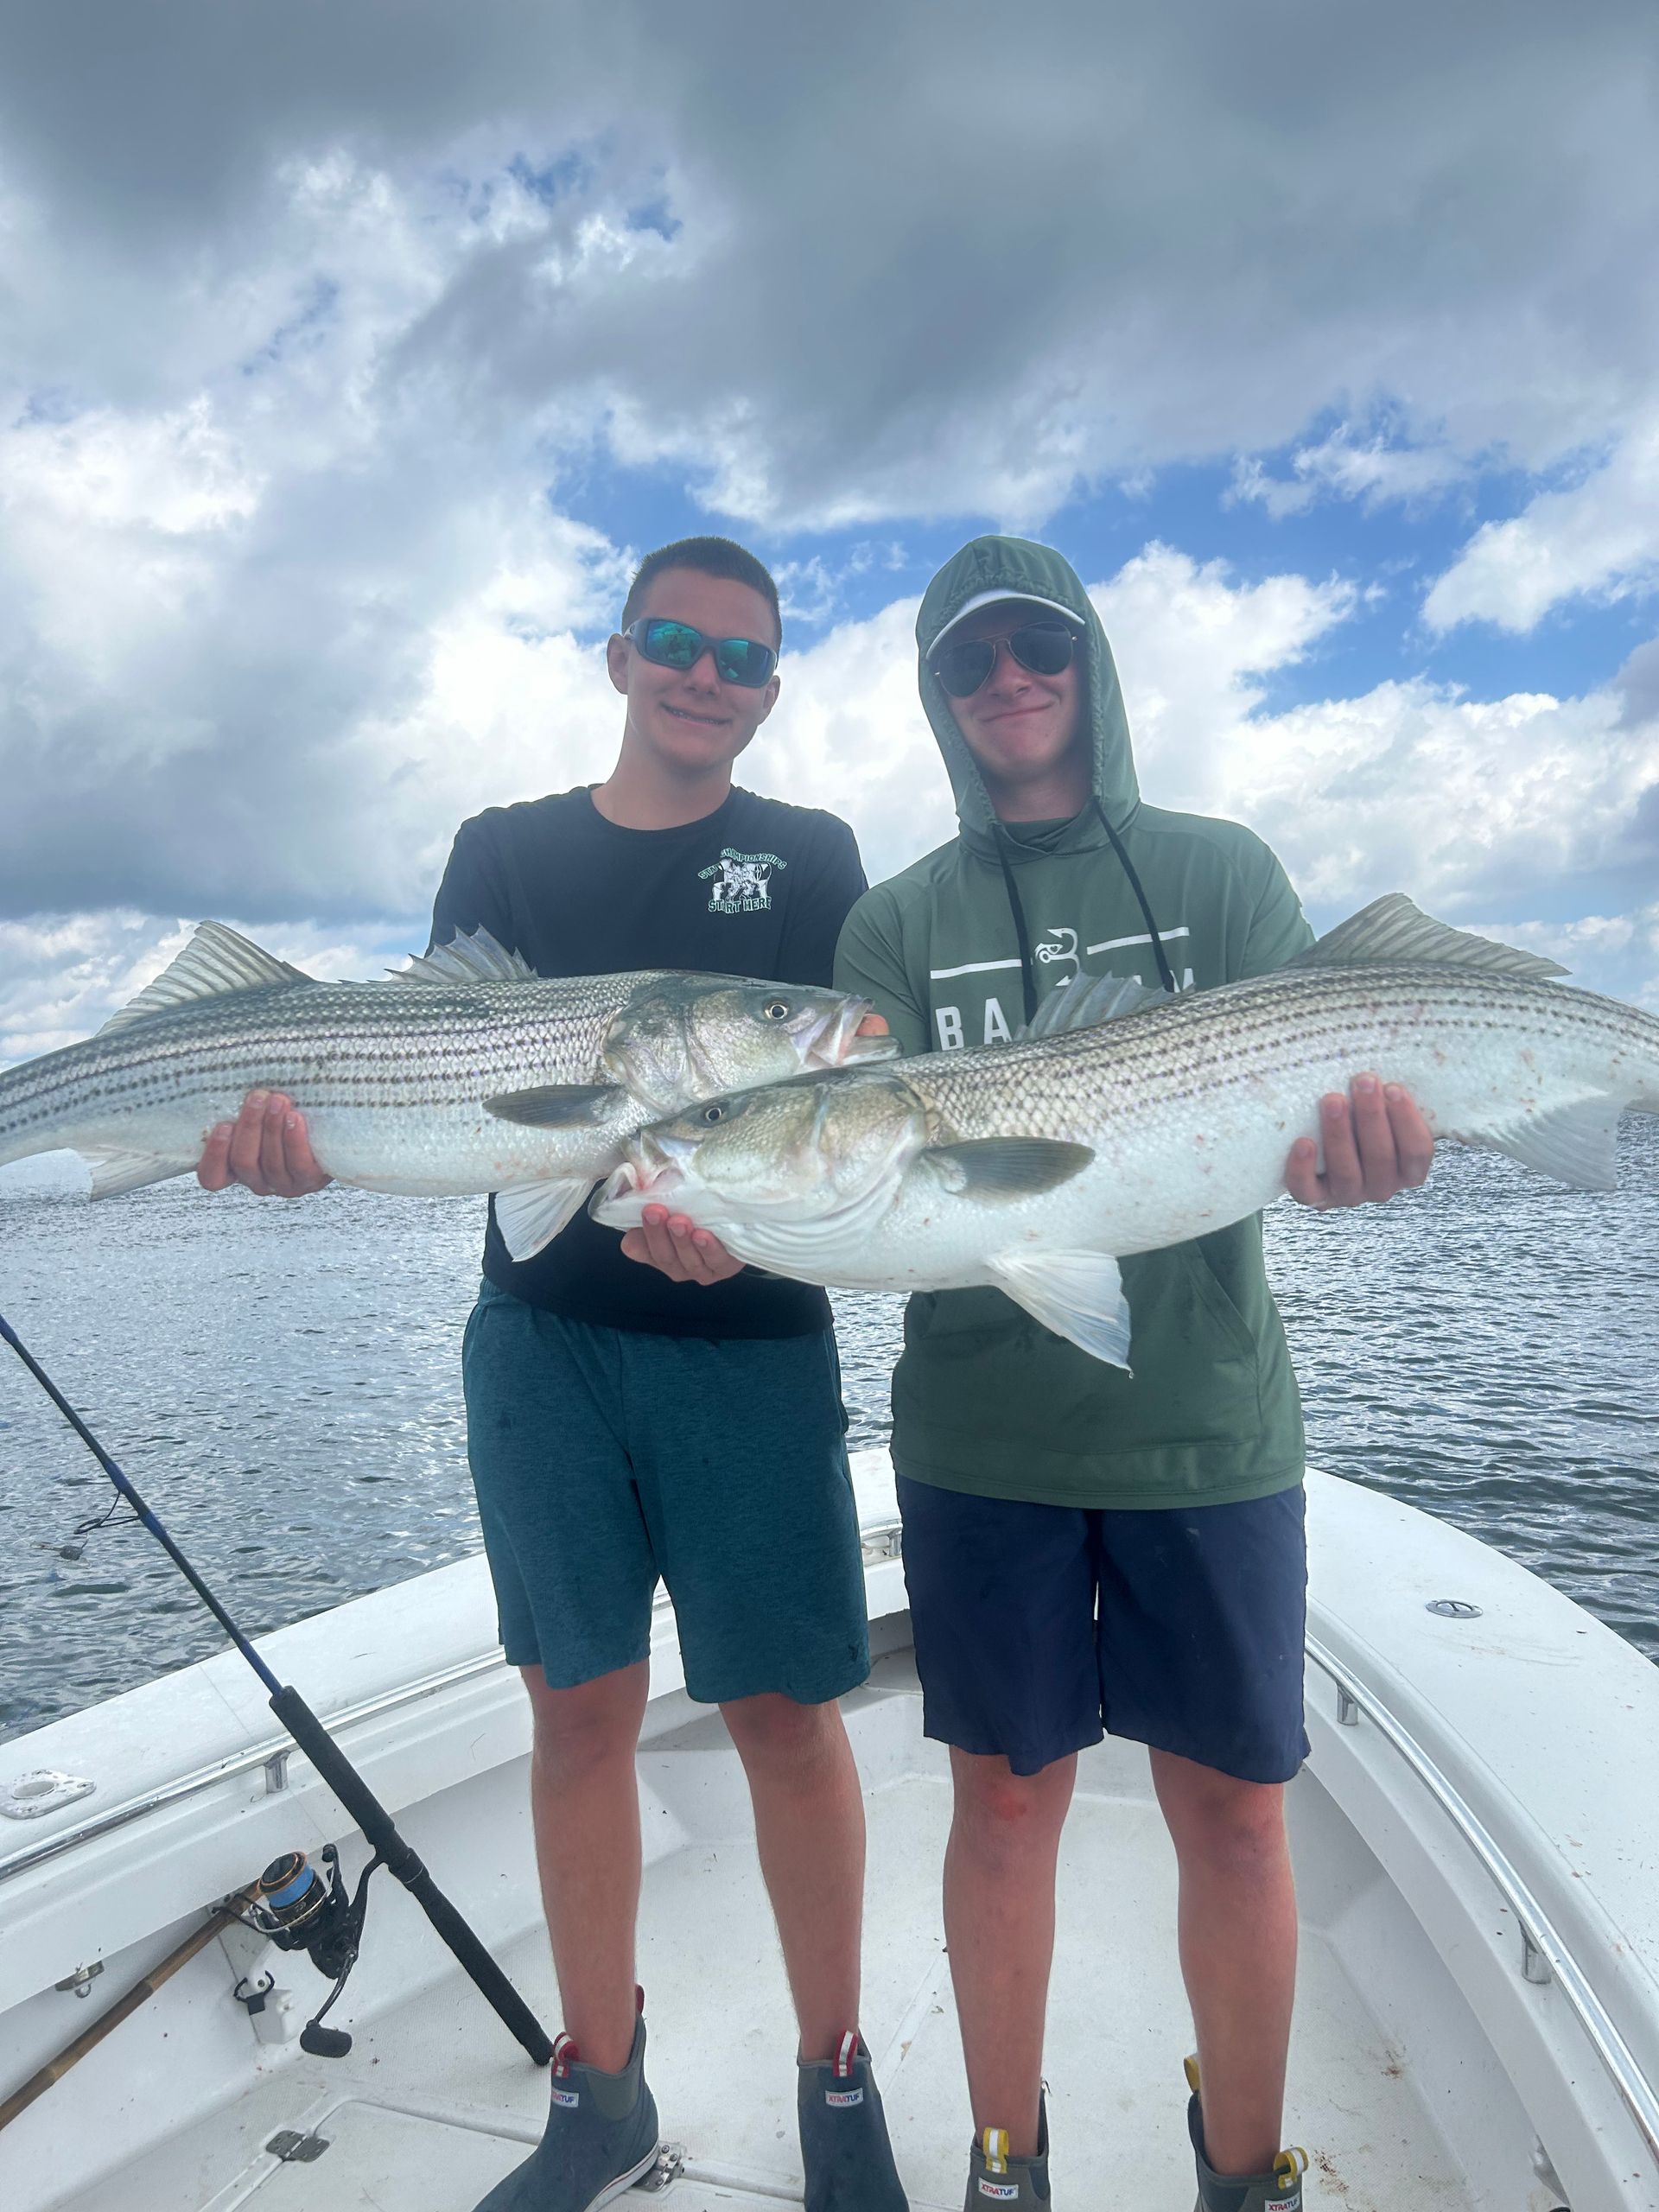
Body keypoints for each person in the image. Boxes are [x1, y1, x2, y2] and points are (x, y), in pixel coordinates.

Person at [200, 537, 909, 2212]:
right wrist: (296, 1152)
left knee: (787, 1717)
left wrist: (751, 1229)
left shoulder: (810, 857)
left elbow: (846, 1115)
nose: (705, 675)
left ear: (775, 688)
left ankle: (836, 2074)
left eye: (743, 657)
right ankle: (601, 2085)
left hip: (747, 1347)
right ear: (618, 655)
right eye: (676, 640)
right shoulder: (504, 851)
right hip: (540, 1348)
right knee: (575, 1707)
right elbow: (430, 1108)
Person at [833, 534, 1433, 2212]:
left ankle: (1246, 2171)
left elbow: (1326, 1104)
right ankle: (1006, 2157)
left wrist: (1360, 1157)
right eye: (973, 660)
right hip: (983, 1436)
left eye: (1040, 644)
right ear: (941, 697)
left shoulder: (1221, 874)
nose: (1010, 679)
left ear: (1090, 656)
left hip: (1208, 1428)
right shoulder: (895, 925)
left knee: (1238, 1820)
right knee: (1006, 1814)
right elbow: (850, 1174)